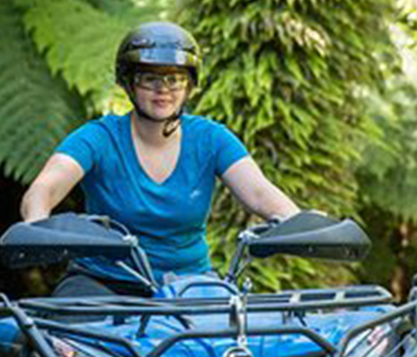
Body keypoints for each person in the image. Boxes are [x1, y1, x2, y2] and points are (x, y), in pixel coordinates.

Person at [20, 22, 300, 296]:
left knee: (232, 335)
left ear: (189, 85)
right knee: (66, 336)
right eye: (149, 78)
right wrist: (37, 225)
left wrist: (301, 225)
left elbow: (260, 193)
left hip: (190, 286)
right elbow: (45, 188)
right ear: (129, 82)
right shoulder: (98, 137)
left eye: (175, 79)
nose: (163, 89)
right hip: (103, 284)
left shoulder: (211, 138)